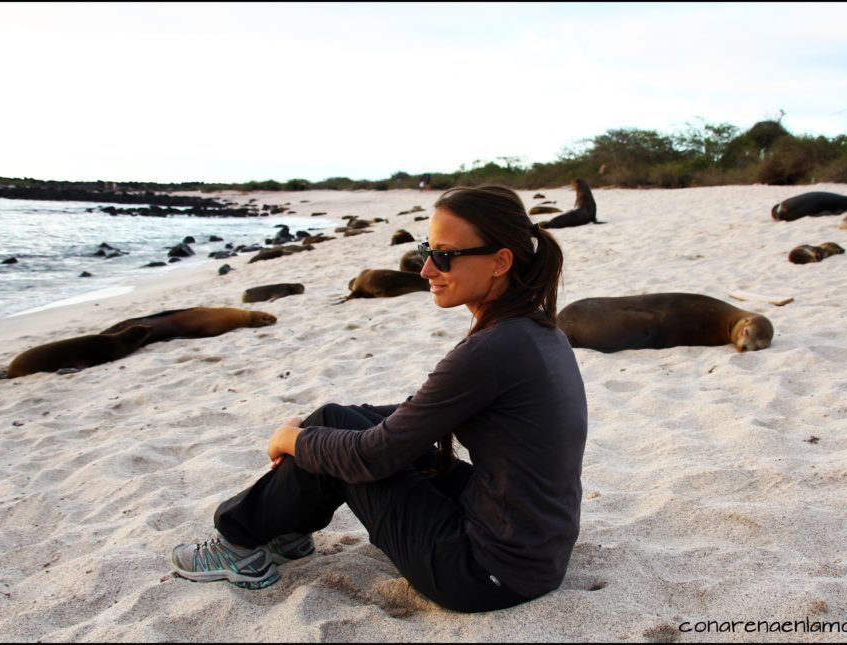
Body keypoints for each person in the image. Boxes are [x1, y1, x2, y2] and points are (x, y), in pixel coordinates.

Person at [170, 185, 588, 613]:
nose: (426, 269)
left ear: (501, 261)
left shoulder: (492, 349)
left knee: (339, 447)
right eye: (428, 250)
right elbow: (420, 414)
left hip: (485, 573)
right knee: (334, 419)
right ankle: (286, 528)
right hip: (531, 546)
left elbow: (374, 457)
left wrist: (289, 439)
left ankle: (237, 539)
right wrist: (318, 429)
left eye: (444, 255)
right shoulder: (537, 330)